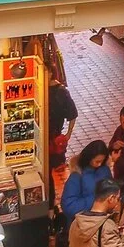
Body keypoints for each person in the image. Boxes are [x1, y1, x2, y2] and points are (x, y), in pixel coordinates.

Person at [61, 139, 111, 223]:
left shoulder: (104, 169)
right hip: (83, 225)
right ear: (89, 158)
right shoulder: (77, 176)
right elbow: (69, 206)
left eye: (102, 161)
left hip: (103, 221)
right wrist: (98, 200)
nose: (99, 164)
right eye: (97, 161)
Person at [47, 71, 78, 202]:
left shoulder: (61, 92)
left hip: (53, 140)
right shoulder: (43, 88)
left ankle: (52, 202)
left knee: (51, 173)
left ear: (49, 73)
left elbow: (72, 114)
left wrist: (68, 135)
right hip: (48, 139)